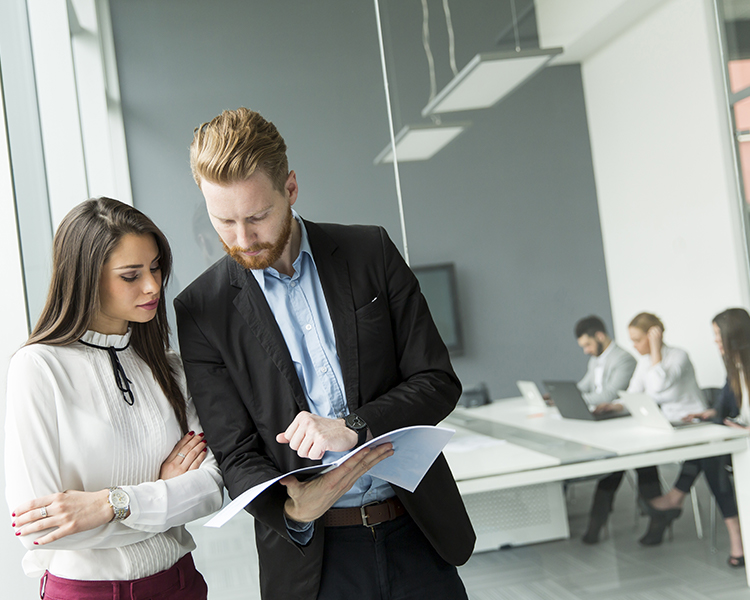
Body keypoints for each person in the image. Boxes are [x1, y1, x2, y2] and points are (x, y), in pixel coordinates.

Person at [175, 107, 475, 600]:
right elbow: (235, 452)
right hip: (313, 562)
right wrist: (293, 507)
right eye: (224, 221)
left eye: (257, 217)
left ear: (290, 189)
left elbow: (436, 380)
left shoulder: (369, 251)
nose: (243, 240)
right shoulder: (201, 311)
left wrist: (354, 426)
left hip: (417, 534)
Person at [5, 198, 223, 599]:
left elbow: (210, 488)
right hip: (85, 592)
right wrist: (161, 493)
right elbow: (40, 531)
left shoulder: (170, 367)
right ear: (86, 277)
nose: (153, 285)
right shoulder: (38, 369)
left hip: (179, 584)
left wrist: (109, 504)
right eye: (130, 275)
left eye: (156, 267)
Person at [581, 312, 705, 545]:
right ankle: (655, 518)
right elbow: (633, 393)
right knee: (626, 456)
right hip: (663, 425)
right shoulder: (645, 363)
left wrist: (656, 350)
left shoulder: (678, 356)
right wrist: (615, 406)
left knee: (640, 458)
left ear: (653, 336)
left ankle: (653, 520)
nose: (634, 346)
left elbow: (657, 387)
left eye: (638, 340)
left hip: (690, 424)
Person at [642, 308, 749, 564]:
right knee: (707, 451)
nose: (715, 341)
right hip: (739, 439)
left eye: (717, 335)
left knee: (710, 454)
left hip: (745, 438)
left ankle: (677, 499)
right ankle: (736, 535)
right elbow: (730, 408)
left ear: (733, 335)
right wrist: (709, 413)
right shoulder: (734, 367)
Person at [574, 315, 637, 408]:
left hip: (613, 414)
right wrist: (561, 396)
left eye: (588, 345)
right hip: (596, 410)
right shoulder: (594, 360)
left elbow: (611, 395)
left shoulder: (624, 359)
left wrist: (577, 400)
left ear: (600, 336)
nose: (586, 351)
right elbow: (584, 386)